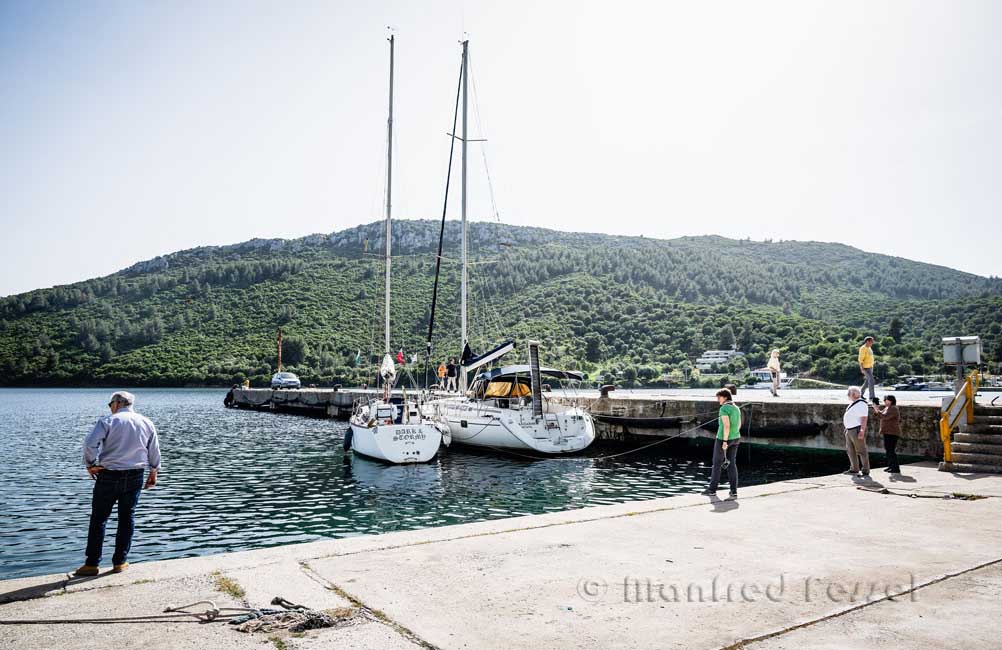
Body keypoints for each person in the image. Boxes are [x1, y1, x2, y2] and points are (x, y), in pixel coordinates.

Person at [75, 391, 161, 576]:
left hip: (109, 475)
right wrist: (153, 471)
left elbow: (90, 444)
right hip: (135, 475)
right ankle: (120, 562)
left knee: (99, 519)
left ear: (117, 403)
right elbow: (153, 449)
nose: (110, 407)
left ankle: (91, 564)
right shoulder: (146, 422)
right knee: (126, 517)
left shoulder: (107, 421)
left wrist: (90, 464)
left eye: (110, 404)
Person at [701, 388, 741, 499]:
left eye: (719, 397)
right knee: (732, 464)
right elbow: (739, 425)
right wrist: (733, 436)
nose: (718, 399)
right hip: (736, 438)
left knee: (717, 464)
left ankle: (712, 490)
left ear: (725, 397)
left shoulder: (724, 408)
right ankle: (734, 491)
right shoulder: (736, 408)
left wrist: (724, 441)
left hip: (723, 439)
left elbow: (726, 426)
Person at [842, 387, 870, 478]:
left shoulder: (861, 403)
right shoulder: (854, 403)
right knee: (850, 451)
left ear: (853, 394)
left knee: (861, 451)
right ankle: (854, 469)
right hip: (849, 430)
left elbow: (864, 418)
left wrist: (862, 430)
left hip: (856, 429)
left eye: (848, 394)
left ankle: (865, 470)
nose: (847, 396)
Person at [873, 395, 901, 474]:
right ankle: (891, 466)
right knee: (888, 450)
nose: (885, 401)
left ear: (891, 400)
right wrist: (876, 409)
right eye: (884, 400)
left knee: (891, 450)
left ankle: (895, 468)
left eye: (886, 400)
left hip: (892, 432)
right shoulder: (887, 408)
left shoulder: (894, 408)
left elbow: (885, 417)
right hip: (886, 432)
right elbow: (879, 415)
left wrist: (877, 410)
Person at [858, 336, 878, 405]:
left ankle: (860, 395)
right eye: (871, 341)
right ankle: (872, 397)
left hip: (870, 367)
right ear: (867, 341)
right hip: (866, 368)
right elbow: (860, 359)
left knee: (867, 382)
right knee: (871, 381)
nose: (872, 343)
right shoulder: (863, 348)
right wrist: (862, 368)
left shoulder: (869, 348)